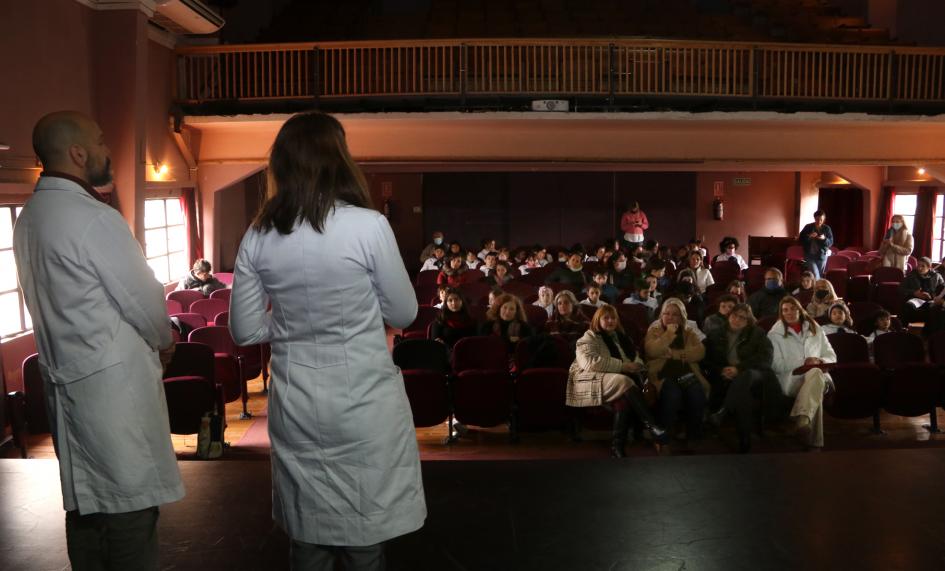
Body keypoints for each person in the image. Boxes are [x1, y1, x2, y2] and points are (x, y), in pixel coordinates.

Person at [229, 112, 425, 568]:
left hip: (298, 401)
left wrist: (299, 324)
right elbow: (403, 312)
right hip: (362, 397)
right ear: (339, 160)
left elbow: (246, 329)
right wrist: (348, 319)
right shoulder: (367, 225)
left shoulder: (258, 235)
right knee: (364, 536)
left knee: (307, 535)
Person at [13, 111, 183, 569]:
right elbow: (146, 302)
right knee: (129, 509)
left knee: (86, 507)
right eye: (102, 141)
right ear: (78, 153)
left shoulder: (29, 217)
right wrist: (165, 340)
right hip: (114, 391)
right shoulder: (94, 218)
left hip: (69, 384)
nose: (108, 150)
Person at [566, 304, 668, 457]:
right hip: (591, 377)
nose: (610, 321)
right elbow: (590, 363)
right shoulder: (589, 337)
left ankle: (617, 447)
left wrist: (637, 365)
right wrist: (624, 366)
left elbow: (636, 357)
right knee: (624, 381)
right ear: (597, 320)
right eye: (605, 318)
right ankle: (652, 426)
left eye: (613, 318)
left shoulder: (622, 337)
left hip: (618, 378)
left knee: (624, 399)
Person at [767, 296, 837, 450]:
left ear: (799, 309)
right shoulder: (774, 334)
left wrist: (818, 360)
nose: (790, 312)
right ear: (781, 313)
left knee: (815, 375)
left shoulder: (815, 328)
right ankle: (812, 440)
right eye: (785, 310)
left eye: (793, 308)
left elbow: (831, 355)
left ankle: (803, 420)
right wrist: (803, 363)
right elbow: (775, 364)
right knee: (815, 387)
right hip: (792, 379)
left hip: (817, 375)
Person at [705, 303, 773, 453]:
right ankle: (744, 440)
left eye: (742, 318)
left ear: (748, 321)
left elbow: (766, 358)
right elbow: (706, 360)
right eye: (735, 315)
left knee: (746, 377)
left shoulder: (757, 334)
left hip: (753, 374)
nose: (737, 320)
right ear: (729, 316)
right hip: (725, 375)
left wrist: (739, 368)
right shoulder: (715, 334)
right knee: (743, 396)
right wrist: (721, 370)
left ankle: (722, 412)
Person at [644, 298, 710, 450]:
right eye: (666, 313)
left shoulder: (689, 332)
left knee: (696, 393)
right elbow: (652, 350)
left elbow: (700, 352)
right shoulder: (655, 330)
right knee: (672, 394)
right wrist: (668, 334)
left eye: (675, 314)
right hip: (663, 373)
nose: (670, 317)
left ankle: (693, 435)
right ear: (661, 316)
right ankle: (662, 437)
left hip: (686, 372)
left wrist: (674, 354)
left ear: (682, 317)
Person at [898, 256, 945, 325]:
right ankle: (904, 329)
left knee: (935, 309)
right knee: (908, 306)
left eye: (923, 266)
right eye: (918, 265)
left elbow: (942, 290)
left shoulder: (937, 276)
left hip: (931, 300)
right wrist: (914, 293)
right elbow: (900, 289)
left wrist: (933, 296)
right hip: (915, 299)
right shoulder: (911, 275)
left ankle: (928, 332)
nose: (919, 268)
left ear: (929, 267)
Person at [799, 210, 834, 279]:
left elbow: (830, 243)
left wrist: (824, 239)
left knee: (819, 275)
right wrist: (809, 236)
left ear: (823, 219)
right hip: (809, 255)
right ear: (814, 218)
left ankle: (817, 288)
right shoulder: (808, 227)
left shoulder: (827, 228)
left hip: (822, 255)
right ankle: (817, 288)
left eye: (821, 219)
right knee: (815, 274)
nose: (819, 221)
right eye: (817, 219)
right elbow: (801, 239)